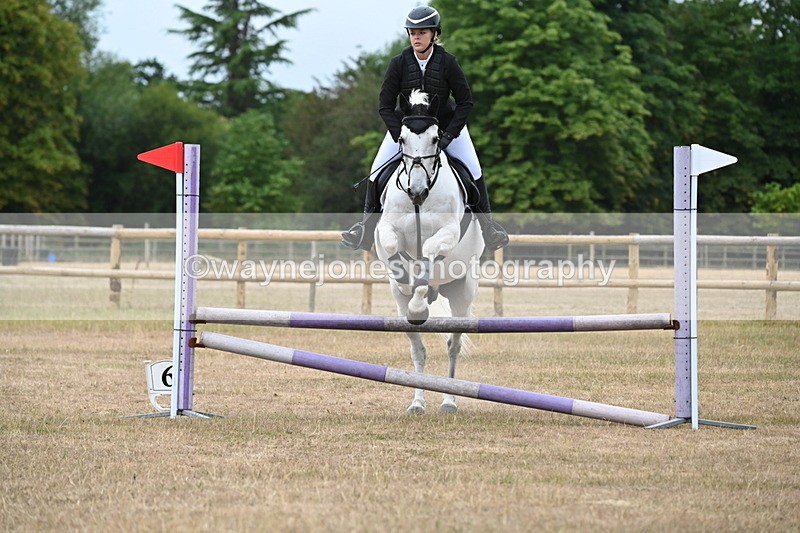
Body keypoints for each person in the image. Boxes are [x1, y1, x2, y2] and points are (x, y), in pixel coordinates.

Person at [341, 5, 509, 252]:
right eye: (412, 32)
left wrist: (450, 134)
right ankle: (365, 231)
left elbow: (465, 102)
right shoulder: (398, 63)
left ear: (434, 34)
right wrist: (400, 134)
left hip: (446, 128)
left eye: (421, 32)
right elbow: (385, 106)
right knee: (376, 171)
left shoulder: (448, 63)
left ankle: (489, 229)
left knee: (474, 170)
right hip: (406, 130)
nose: (416, 37)